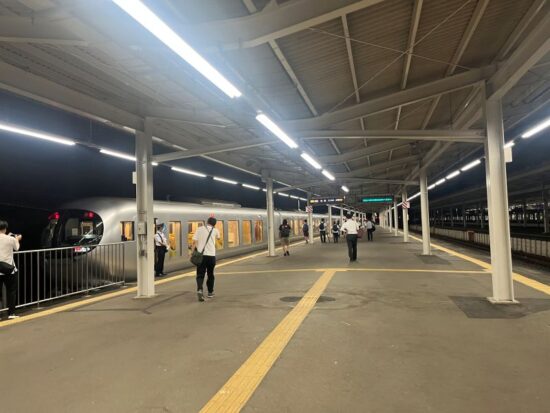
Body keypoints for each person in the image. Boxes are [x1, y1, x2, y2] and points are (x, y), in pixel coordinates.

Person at [191, 217, 221, 301]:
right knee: (210, 274)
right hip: (211, 256)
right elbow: (219, 238)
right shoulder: (215, 230)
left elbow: (194, 242)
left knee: (200, 274)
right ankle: (210, 292)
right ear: (214, 224)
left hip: (201, 256)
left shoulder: (199, 229)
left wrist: (192, 252)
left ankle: (200, 290)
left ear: (207, 222)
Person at [0, 220, 21, 319]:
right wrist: (17, 239)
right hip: (9, 269)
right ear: (5, 228)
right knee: (11, 291)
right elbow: (17, 248)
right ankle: (11, 313)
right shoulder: (10, 239)